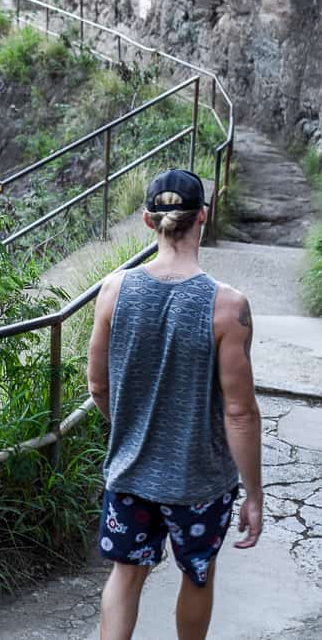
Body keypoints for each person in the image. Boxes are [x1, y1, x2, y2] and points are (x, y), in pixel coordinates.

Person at [87, 168, 262, 640]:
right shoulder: (228, 306)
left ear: (148, 221)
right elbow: (240, 411)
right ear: (202, 216)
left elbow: (98, 386)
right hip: (200, 482)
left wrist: (130, 429)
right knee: (197, 573)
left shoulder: (113, 291)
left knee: (126, 575)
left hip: (130, 471)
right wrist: (255, 494)